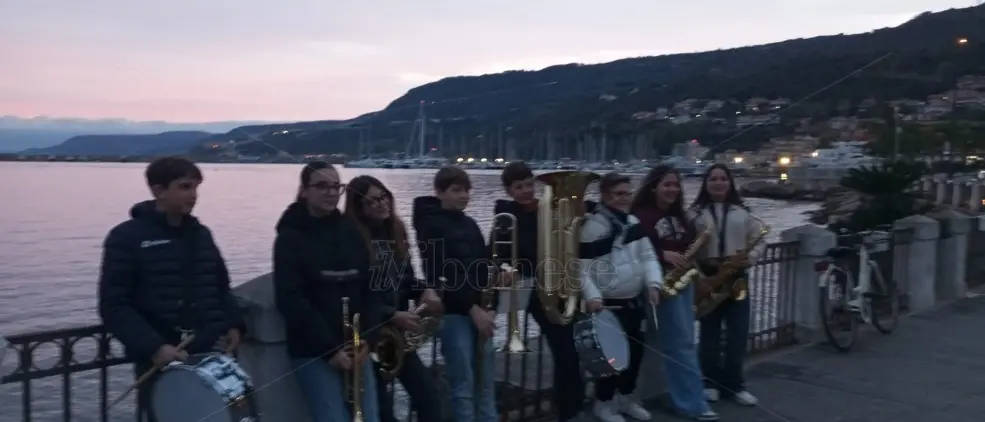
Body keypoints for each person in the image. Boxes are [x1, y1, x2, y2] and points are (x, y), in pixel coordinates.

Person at [98, 156, 244, 420]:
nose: (194, 195)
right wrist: (154, 346)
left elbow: (220, 285)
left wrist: (233, 322)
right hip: (160, 359)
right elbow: (114, 304)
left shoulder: (201, 234)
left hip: (208, 352)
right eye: (185, 187)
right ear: (159, 190)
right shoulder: (126, 237)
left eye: (196, 187)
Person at [272, 162, 384, 422]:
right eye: (322, 186)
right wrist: (330, 350)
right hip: (314, 351)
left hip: (356, 347)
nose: (332, 192)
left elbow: (371, 287)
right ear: (304, 191)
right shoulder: (289, 238)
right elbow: (290, 299)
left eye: (336, 186)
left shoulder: (351, 231)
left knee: (370, 418)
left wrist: (368, 336)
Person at [343, 175, 443, 422]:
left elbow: (406, 279)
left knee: (430, 399)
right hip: (369, 336)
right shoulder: (351, 240)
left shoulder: (395, 230)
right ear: (358, 208)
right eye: (372, 201)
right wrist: (392, 314)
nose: (381, 203)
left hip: (397, 336)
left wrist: (423, 290)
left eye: (384, 196)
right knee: (382, 411)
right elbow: (355, 293)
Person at [413, 166, 501, 422]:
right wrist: (473, 309)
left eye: (467, 190)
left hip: (478, 311)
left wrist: (490, 303)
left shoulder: (470, 223)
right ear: (439, 192)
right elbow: (440, 274)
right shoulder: (429, 226)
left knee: (485, 382)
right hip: (453, 314)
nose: (464, 195)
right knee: (462, 383)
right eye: (456, 190)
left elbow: (483, 267)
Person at [631, 166, 719, 421]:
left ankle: (683, 396)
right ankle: (693, 404)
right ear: (653, 187)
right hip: (661, 282)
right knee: (681, 345)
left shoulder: (680, 215)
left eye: (675, 185)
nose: (672, 189)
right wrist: (662, 254)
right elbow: (634, 247)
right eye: (667, 184)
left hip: (683, 281)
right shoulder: (641, 215)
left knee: (683, 343)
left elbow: (688, 246)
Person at [579, 172, 663, 422]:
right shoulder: (590, 228)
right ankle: (603, 403)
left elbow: (648, 257)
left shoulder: (634, 222)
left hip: (634, 301)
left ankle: (626, 399)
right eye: (618, 193)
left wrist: (654, 283)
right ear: (604, 196)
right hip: (607, 304)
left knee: (634, 355)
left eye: (627, 193)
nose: (624, 198)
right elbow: (580, 268)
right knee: (610, 359)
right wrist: (592, 296)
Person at [688, 163, 764, 407]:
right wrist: (698, 273)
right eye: (713, 179)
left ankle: (735, 385)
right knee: (709, 333)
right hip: (708, 277)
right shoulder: (694, 213)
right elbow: (687, 247)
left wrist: (749, 258)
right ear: (706, 183)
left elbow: (759, 239)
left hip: (736, 278)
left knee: (738, 332)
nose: (718, 183)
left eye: (723, 179)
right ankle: (710, 382)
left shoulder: (743, 212)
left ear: (730, 183)